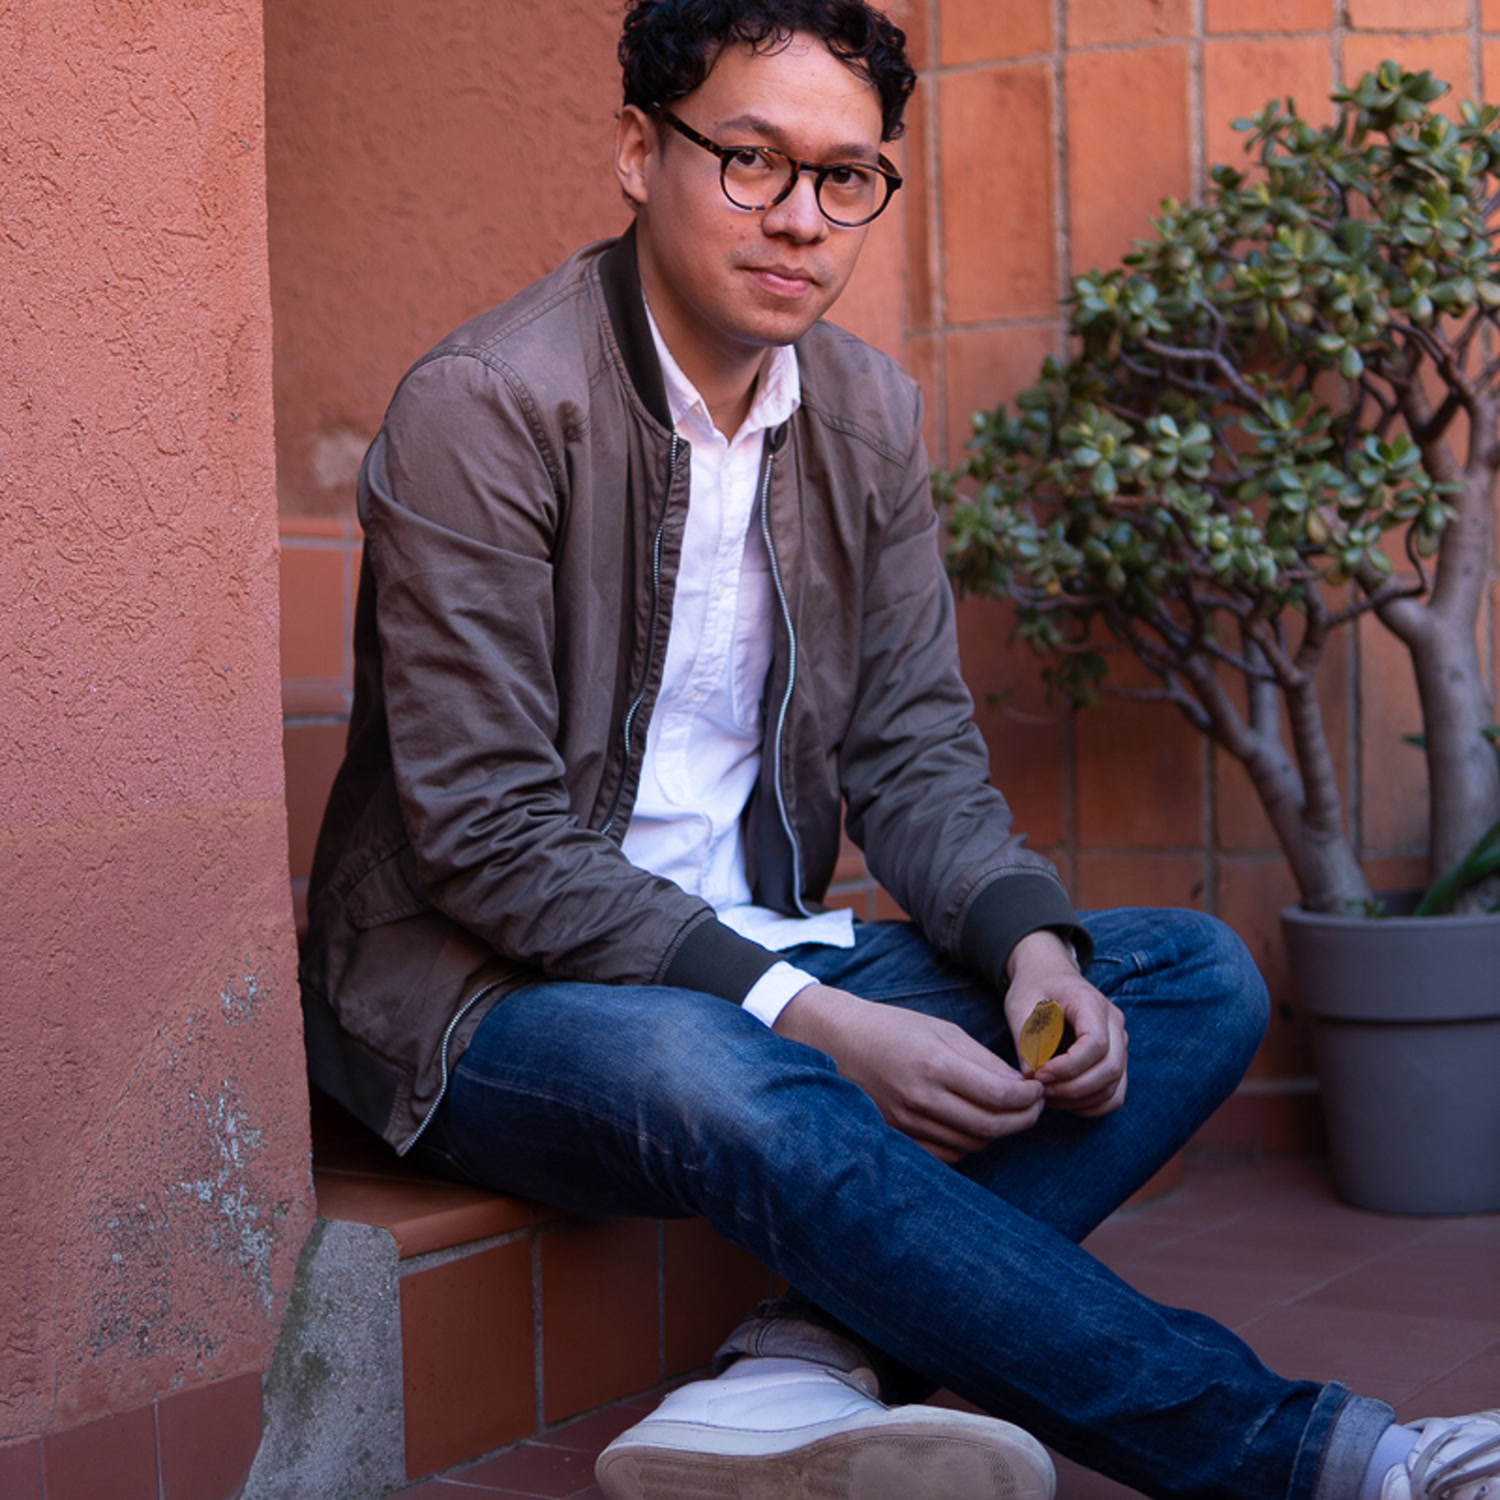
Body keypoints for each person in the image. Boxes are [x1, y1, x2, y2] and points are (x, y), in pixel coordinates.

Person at [298, 3, 1500, 1497]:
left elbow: (916, 747)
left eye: (846, 176)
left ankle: (799, 1365)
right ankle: (1328, 1457)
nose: (800, 219)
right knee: (720, 1066)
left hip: (759, 954)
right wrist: (813, 1019)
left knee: (1190, 977)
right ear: (637, 151)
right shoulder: (487, 408)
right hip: (484, 998)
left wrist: (1029, 952)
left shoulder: (864, 413)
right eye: (750, 160)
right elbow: (486, 836)